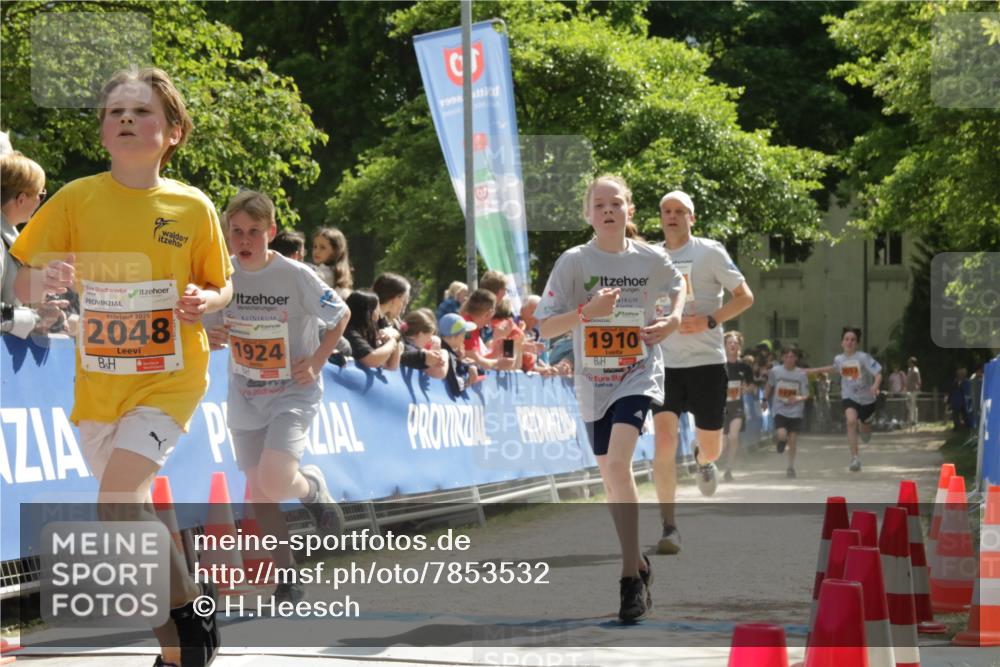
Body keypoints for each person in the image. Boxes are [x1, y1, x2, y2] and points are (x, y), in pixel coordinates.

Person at [11, 68, 233, 667]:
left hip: (170, 380)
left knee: (118, 503)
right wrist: (45, 279)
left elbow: (221, 286)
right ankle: (188, 622)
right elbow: (23, 277)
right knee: (130, 518)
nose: (128, 119)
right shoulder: (75, 199)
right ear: (104, 132)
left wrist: (203, 303)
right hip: (100, 387)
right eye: (116, 112)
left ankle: (182, 641)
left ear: (173, 133)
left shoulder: (192, 206)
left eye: (143, 111)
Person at [537, 174, 685, 623]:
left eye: (616, 203)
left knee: (618, 464)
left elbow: (678, 285)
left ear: (629, 212)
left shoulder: (650, 258)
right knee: (611, 477)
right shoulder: (574, 262)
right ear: (588, 214)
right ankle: (639, 562)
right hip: (593, 382)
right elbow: (544, 328)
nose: (607, 210)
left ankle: (627, 580)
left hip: (638, 373)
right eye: (599, 204)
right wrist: (586, 312)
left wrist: (674, 320)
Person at [204, 190, 349, 605]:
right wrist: (211, 337)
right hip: (246, 396)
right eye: (236, 232)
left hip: (293, 391)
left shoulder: (295, 273)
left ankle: (311, 490)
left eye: (254, 232)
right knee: (259, 490)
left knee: (276, 478)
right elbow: (211, 333)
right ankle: (286, 577)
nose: (245, 240)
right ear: (227, 233)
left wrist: (318, 359)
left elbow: (341, 316)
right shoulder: (222, 275)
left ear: (270, 232)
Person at [651, 190, 754, 555]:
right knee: (663, 442)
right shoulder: (651, 257)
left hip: (707, 363)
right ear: (660, 217)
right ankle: (669, 526)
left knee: (711, 446)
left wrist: (710, 319)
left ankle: (702, 460)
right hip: (664, 364)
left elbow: (745, 297)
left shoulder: (709, 252)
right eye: (667, 211)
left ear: (692, 218)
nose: (673, 217)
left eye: (680, 211)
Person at [1, 152, 69, 336]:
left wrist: (46, 315)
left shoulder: (13, 239)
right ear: (21, 199)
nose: (40, 202)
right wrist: (36, 318)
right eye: (40, 195)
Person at [807, 327, 882, 472]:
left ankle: (866, 424)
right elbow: (834, 368)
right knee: (851, 421)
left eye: (853, 340)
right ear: (842, 343)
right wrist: (813, 371)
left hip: (867, 398)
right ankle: (855, 458)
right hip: (849, 396)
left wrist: (875, 385)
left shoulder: (863, 357)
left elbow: (878, 373)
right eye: (847, 339)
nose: (849, 342)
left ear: (857, 343)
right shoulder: (839, 359)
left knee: (865, 428)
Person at [763, 347, 810, 478]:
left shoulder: (801, 374)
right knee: (782, 434)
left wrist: (797, 398)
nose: (789, 359)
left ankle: (790, 467)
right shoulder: (775, 371)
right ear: (782, 358)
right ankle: (781, 441)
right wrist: (764, 399)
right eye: (787, 356)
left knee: (793, 440)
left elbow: (806, 395)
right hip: (780, 409)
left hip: (795, 411)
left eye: (792, 356)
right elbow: (769, 385)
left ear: (796, 359)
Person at [720, 331, 754, 482]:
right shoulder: (719, 365)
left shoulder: (744, 367)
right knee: (722, 444)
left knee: (733, 437)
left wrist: (747, 389)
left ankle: (728, 469)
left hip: (737, 408)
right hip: (720, 408)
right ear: (725, 346)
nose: (733, 345)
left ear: (739, 345)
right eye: (729, 342)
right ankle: (709, 465)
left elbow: (752, 386)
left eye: (735, 342)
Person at [343, 290, 401, 371]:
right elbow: (372, 359)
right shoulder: (349, 332)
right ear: (369, 312)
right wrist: (393, 340)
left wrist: (395, 337)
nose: (379, 312)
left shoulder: (373, 329)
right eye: (377, 307)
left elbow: (392, 366)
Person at [461, 288, 515, 371]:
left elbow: (479, 360)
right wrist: (498, 362)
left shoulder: (472, 326)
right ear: (488, 313)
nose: (489, 322)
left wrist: (495, 354)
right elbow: (474, 361)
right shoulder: (467, 326)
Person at [437, 312, 480, 395]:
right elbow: (457, 388)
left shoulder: (445, 350)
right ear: (456, 336)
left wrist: (462, 362)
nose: (465, 338)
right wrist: (469, 381)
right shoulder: (447, 355)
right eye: (464, 334)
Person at [400, 308, 448, 379]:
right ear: (420, 334)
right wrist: (444, 353)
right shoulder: (403, 345)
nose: (430, 340)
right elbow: (439, 373)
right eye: (429, 336)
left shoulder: (407, 343)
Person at [312, 227, 352, 298]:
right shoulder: (317, 271)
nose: (316, 251)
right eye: (315, 247)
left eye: (322, 247)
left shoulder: (320, 275)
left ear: (336, 251)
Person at [906, 356, 921, 427]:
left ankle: (914, 420)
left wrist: (917, 388)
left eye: (910, 362)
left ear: (913, 363)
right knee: (909, 404)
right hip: (909, 389)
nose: (909, 363)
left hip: (914, 390)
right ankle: (911, 419)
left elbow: (918, 380)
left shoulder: (916, 370)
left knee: (913, 405)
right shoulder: (909, 370)